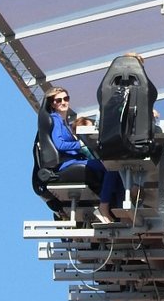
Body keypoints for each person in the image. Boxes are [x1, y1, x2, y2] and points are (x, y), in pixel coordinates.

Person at [45, 87, 124, 223]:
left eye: (66, 98)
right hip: (66, 164)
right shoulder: (55, 120)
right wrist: (80, 144)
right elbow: (60, 145)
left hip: (75, 160)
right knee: (111, 166)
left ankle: (119, 211)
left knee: (116, 168)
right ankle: (104, 207)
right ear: (52, 104)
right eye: (59, 100)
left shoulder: (64, 122)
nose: (63, 102)